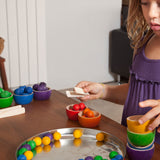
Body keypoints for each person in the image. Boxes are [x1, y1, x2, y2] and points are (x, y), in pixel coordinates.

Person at [76, 0, 160, 144]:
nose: (151, 13)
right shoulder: (143, 43)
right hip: (131, 142)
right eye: (145, 2)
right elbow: (135, 92)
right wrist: (105, 91)